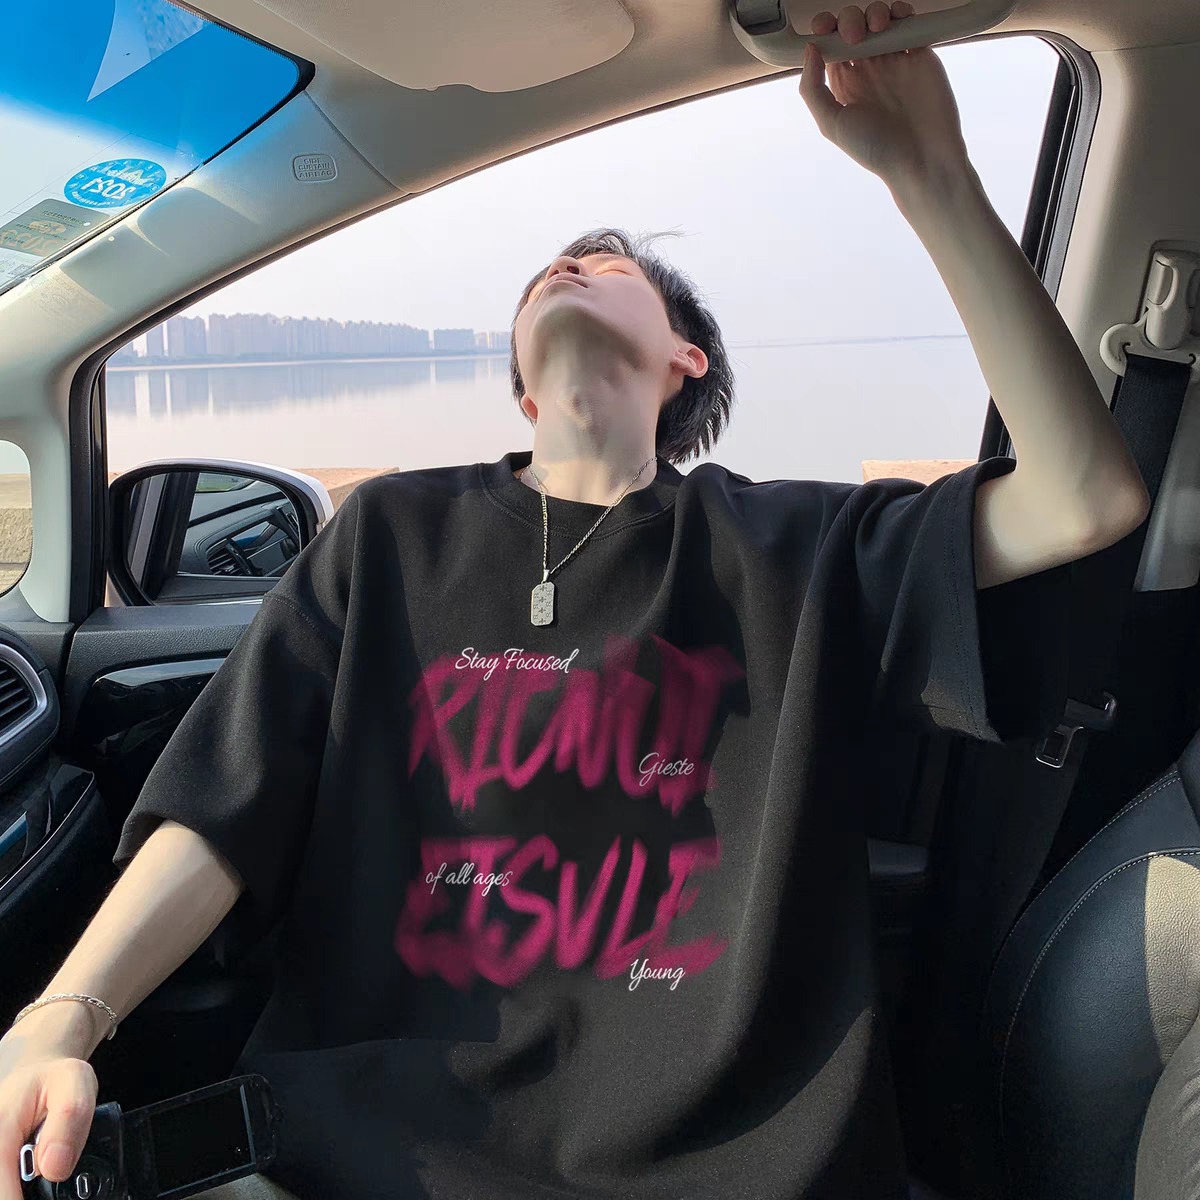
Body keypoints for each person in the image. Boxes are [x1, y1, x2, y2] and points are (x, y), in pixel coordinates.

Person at [1, 5, 1151, 1199]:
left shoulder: (799, 546)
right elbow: (221, 809)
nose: (571, 264)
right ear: (520, 386)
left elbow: (1087, 499)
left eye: (614, 269)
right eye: (550, 270)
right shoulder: (388, 534)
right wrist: (62, 1018)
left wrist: (932, 172)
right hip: (366, 1163)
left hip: (728, 1177)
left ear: (685, 360)